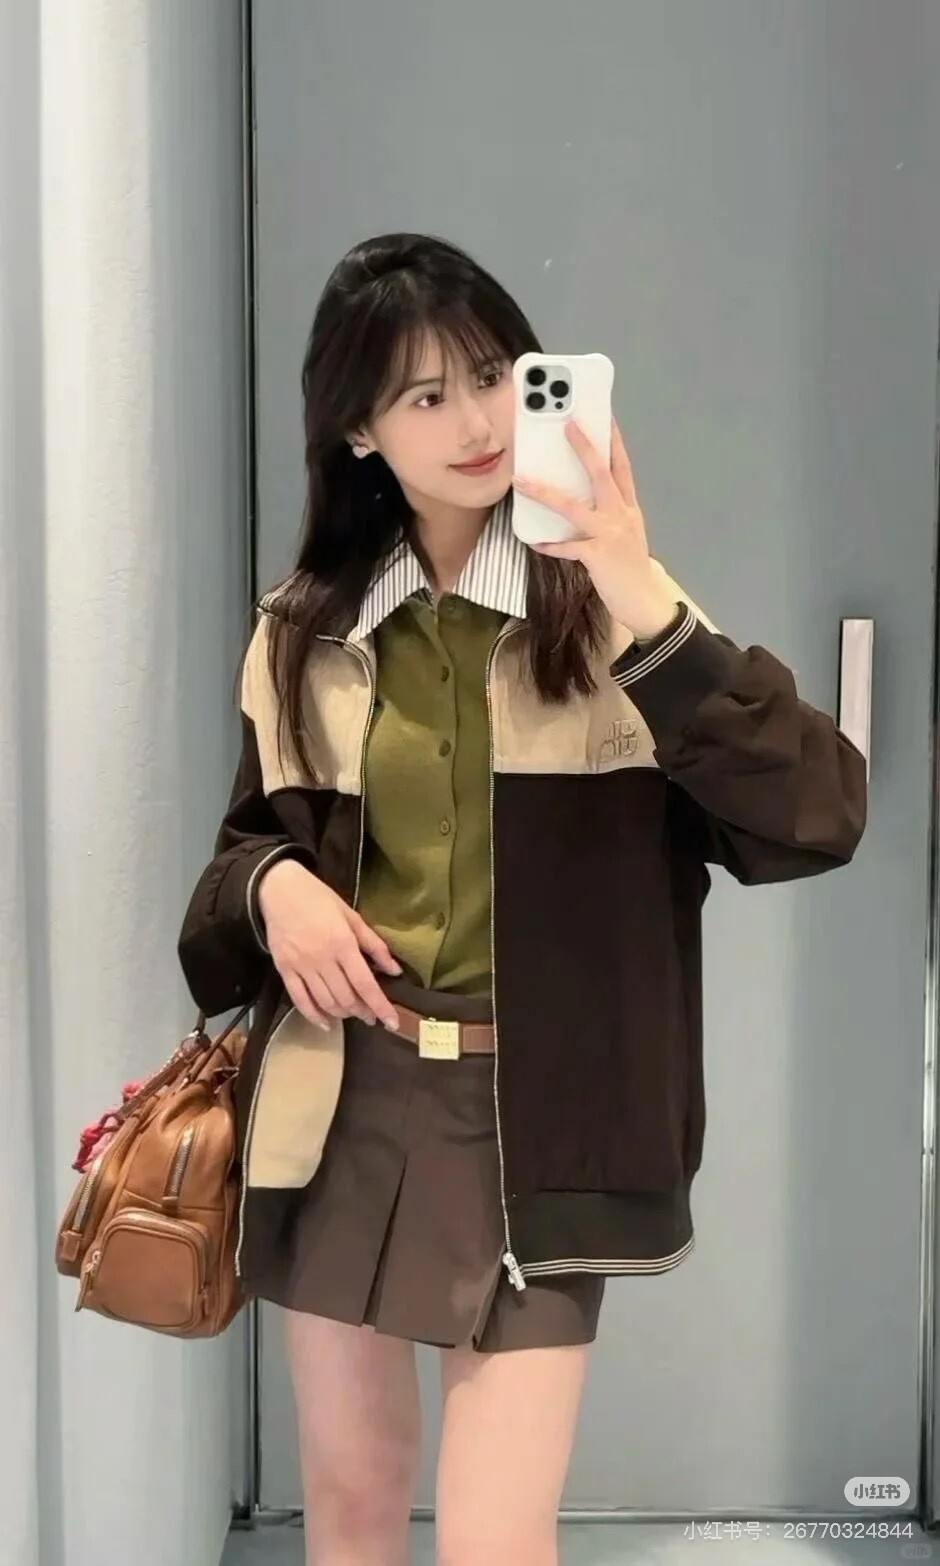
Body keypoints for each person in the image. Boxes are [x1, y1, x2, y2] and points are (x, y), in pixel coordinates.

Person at [177, 232, 867, 1566]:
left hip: (541, 1117)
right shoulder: (305, 631)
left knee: (497, 1534)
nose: (477, 422)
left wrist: (637, 587)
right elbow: (242, 848)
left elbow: (815, 814)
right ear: (360, 431)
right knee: (353, 1496)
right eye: (426, 395)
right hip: (340, 1096)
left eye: (493, 375)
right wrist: (273, 891)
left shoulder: (615, 619)